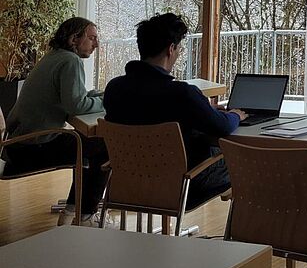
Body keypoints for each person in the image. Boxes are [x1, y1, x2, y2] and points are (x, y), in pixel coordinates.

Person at [103, 13, 247, 209]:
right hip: (184, 183)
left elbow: (149, 112)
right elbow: (221, 126)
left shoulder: (114, 88)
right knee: (246, 164)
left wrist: (204, 109)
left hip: (130, 180)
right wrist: (234, 115)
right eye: (179, 48)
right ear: (171, 49)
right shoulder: (182, 93)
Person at [4, 17, 109, 224]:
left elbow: (73, 97)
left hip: (15, 144)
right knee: (102, 147)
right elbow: (76, 105)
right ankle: (84, 214)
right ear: (74, 39)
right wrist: (108, 101)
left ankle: (73, 210)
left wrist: (97, 96)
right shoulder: (71, 61)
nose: (96, 44)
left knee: (86, 145)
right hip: (33, 148)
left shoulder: (54, 57)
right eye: (92, 38)